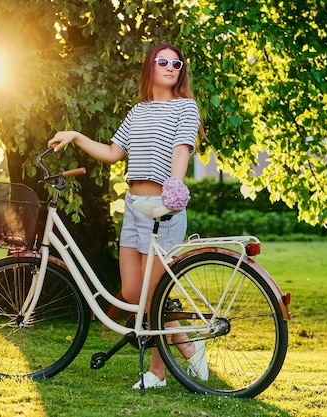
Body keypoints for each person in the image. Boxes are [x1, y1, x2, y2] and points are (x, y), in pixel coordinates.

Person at [48, 43, 208, 389]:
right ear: (150, 66)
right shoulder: (138, 112)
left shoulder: (186, 107)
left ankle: (158, 374)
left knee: (154, 296)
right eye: (163, 61)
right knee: (134, 293)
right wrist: (75, 135)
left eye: (177, 64)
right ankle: (190, 346)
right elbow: (112, 152)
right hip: (135, 208)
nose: (170, 67)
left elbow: (182, 148)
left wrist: (175, 186)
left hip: (163, 210)